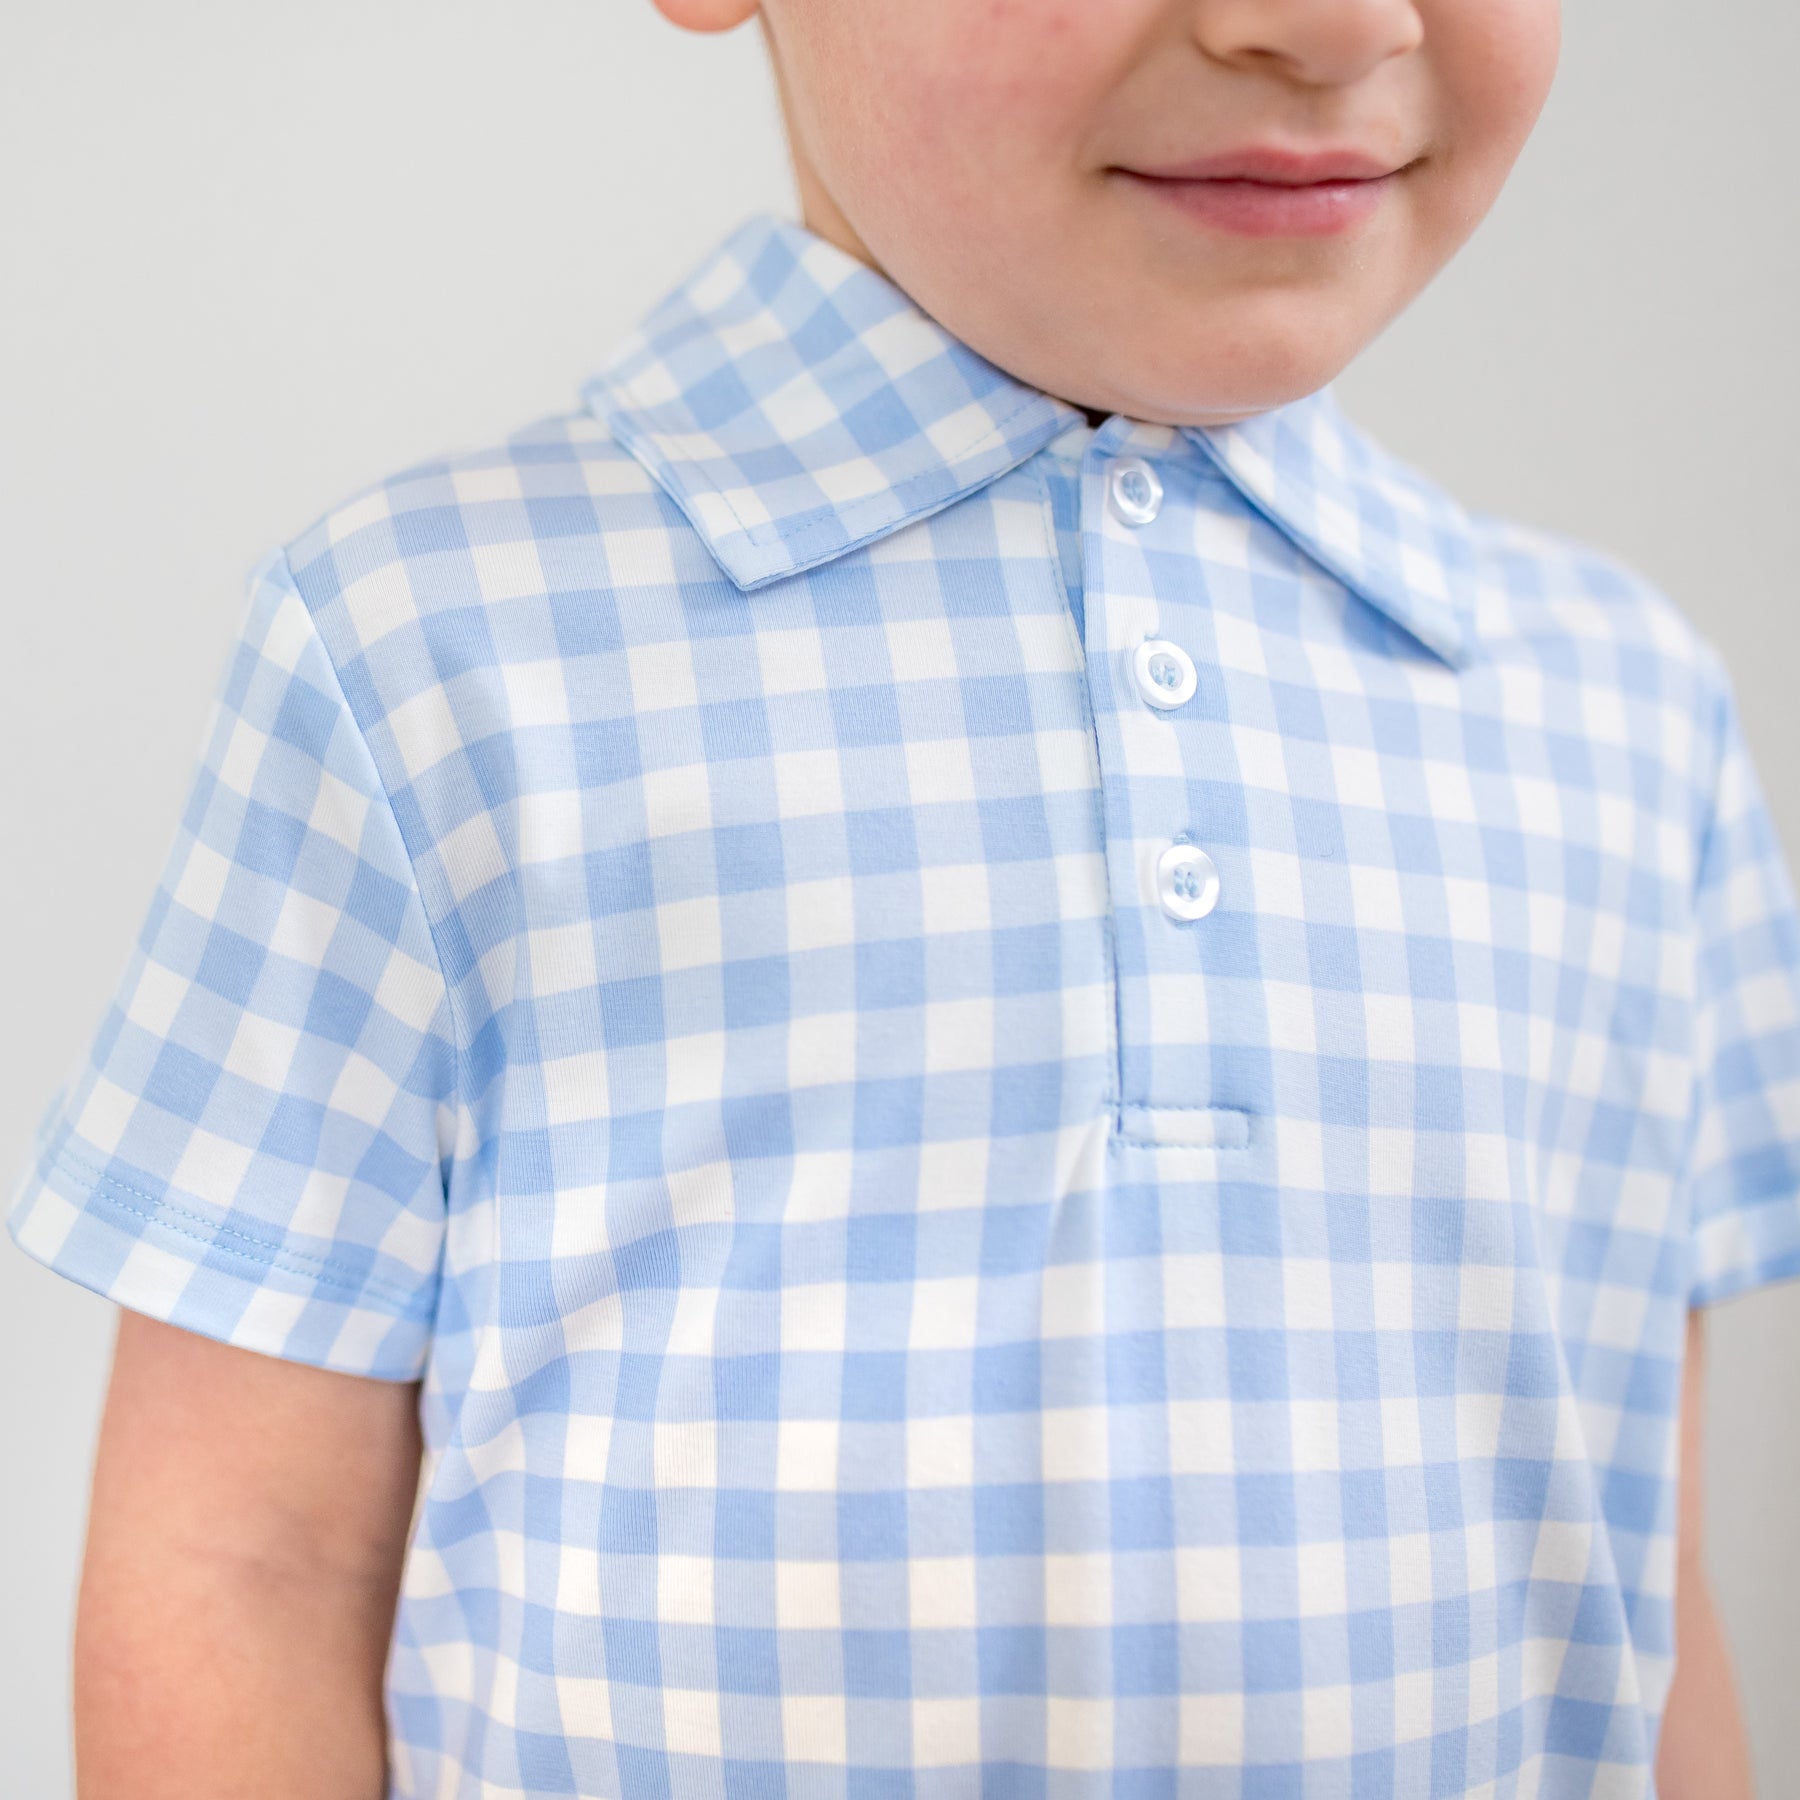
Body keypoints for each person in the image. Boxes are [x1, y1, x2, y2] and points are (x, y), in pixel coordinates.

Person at [8, 1, 1785, 1793]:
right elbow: (247, 1565)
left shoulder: (1626, 716)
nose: (1327, 20)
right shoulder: (425, 660)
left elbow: (1640, 1590)